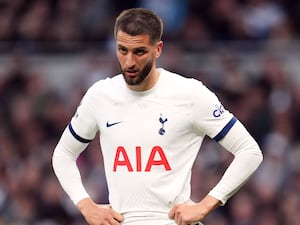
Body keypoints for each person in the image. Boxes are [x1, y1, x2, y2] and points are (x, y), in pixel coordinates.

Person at [52, 8, 263, 225]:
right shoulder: (101, 95)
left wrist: (207, 204)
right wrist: (85, 205)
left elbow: (249, 151)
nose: (129, 62)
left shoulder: (189, 94)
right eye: (122, 50)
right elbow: (63, 153)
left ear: (158, 49)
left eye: (139, 52)